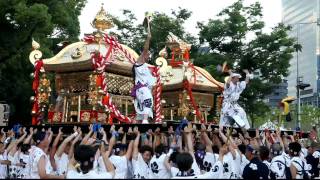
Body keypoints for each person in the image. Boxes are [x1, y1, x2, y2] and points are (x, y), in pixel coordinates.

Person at [131, 17, 156, 124]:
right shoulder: (139, 62)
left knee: (142, 110)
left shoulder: (146, 66)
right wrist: (148, 38)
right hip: (141, 89)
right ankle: (144, 121)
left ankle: (137, 124)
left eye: (150, 54)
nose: (149, 55)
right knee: (148, 102)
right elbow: (145, 48)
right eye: (148, 54)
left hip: (143, 90)